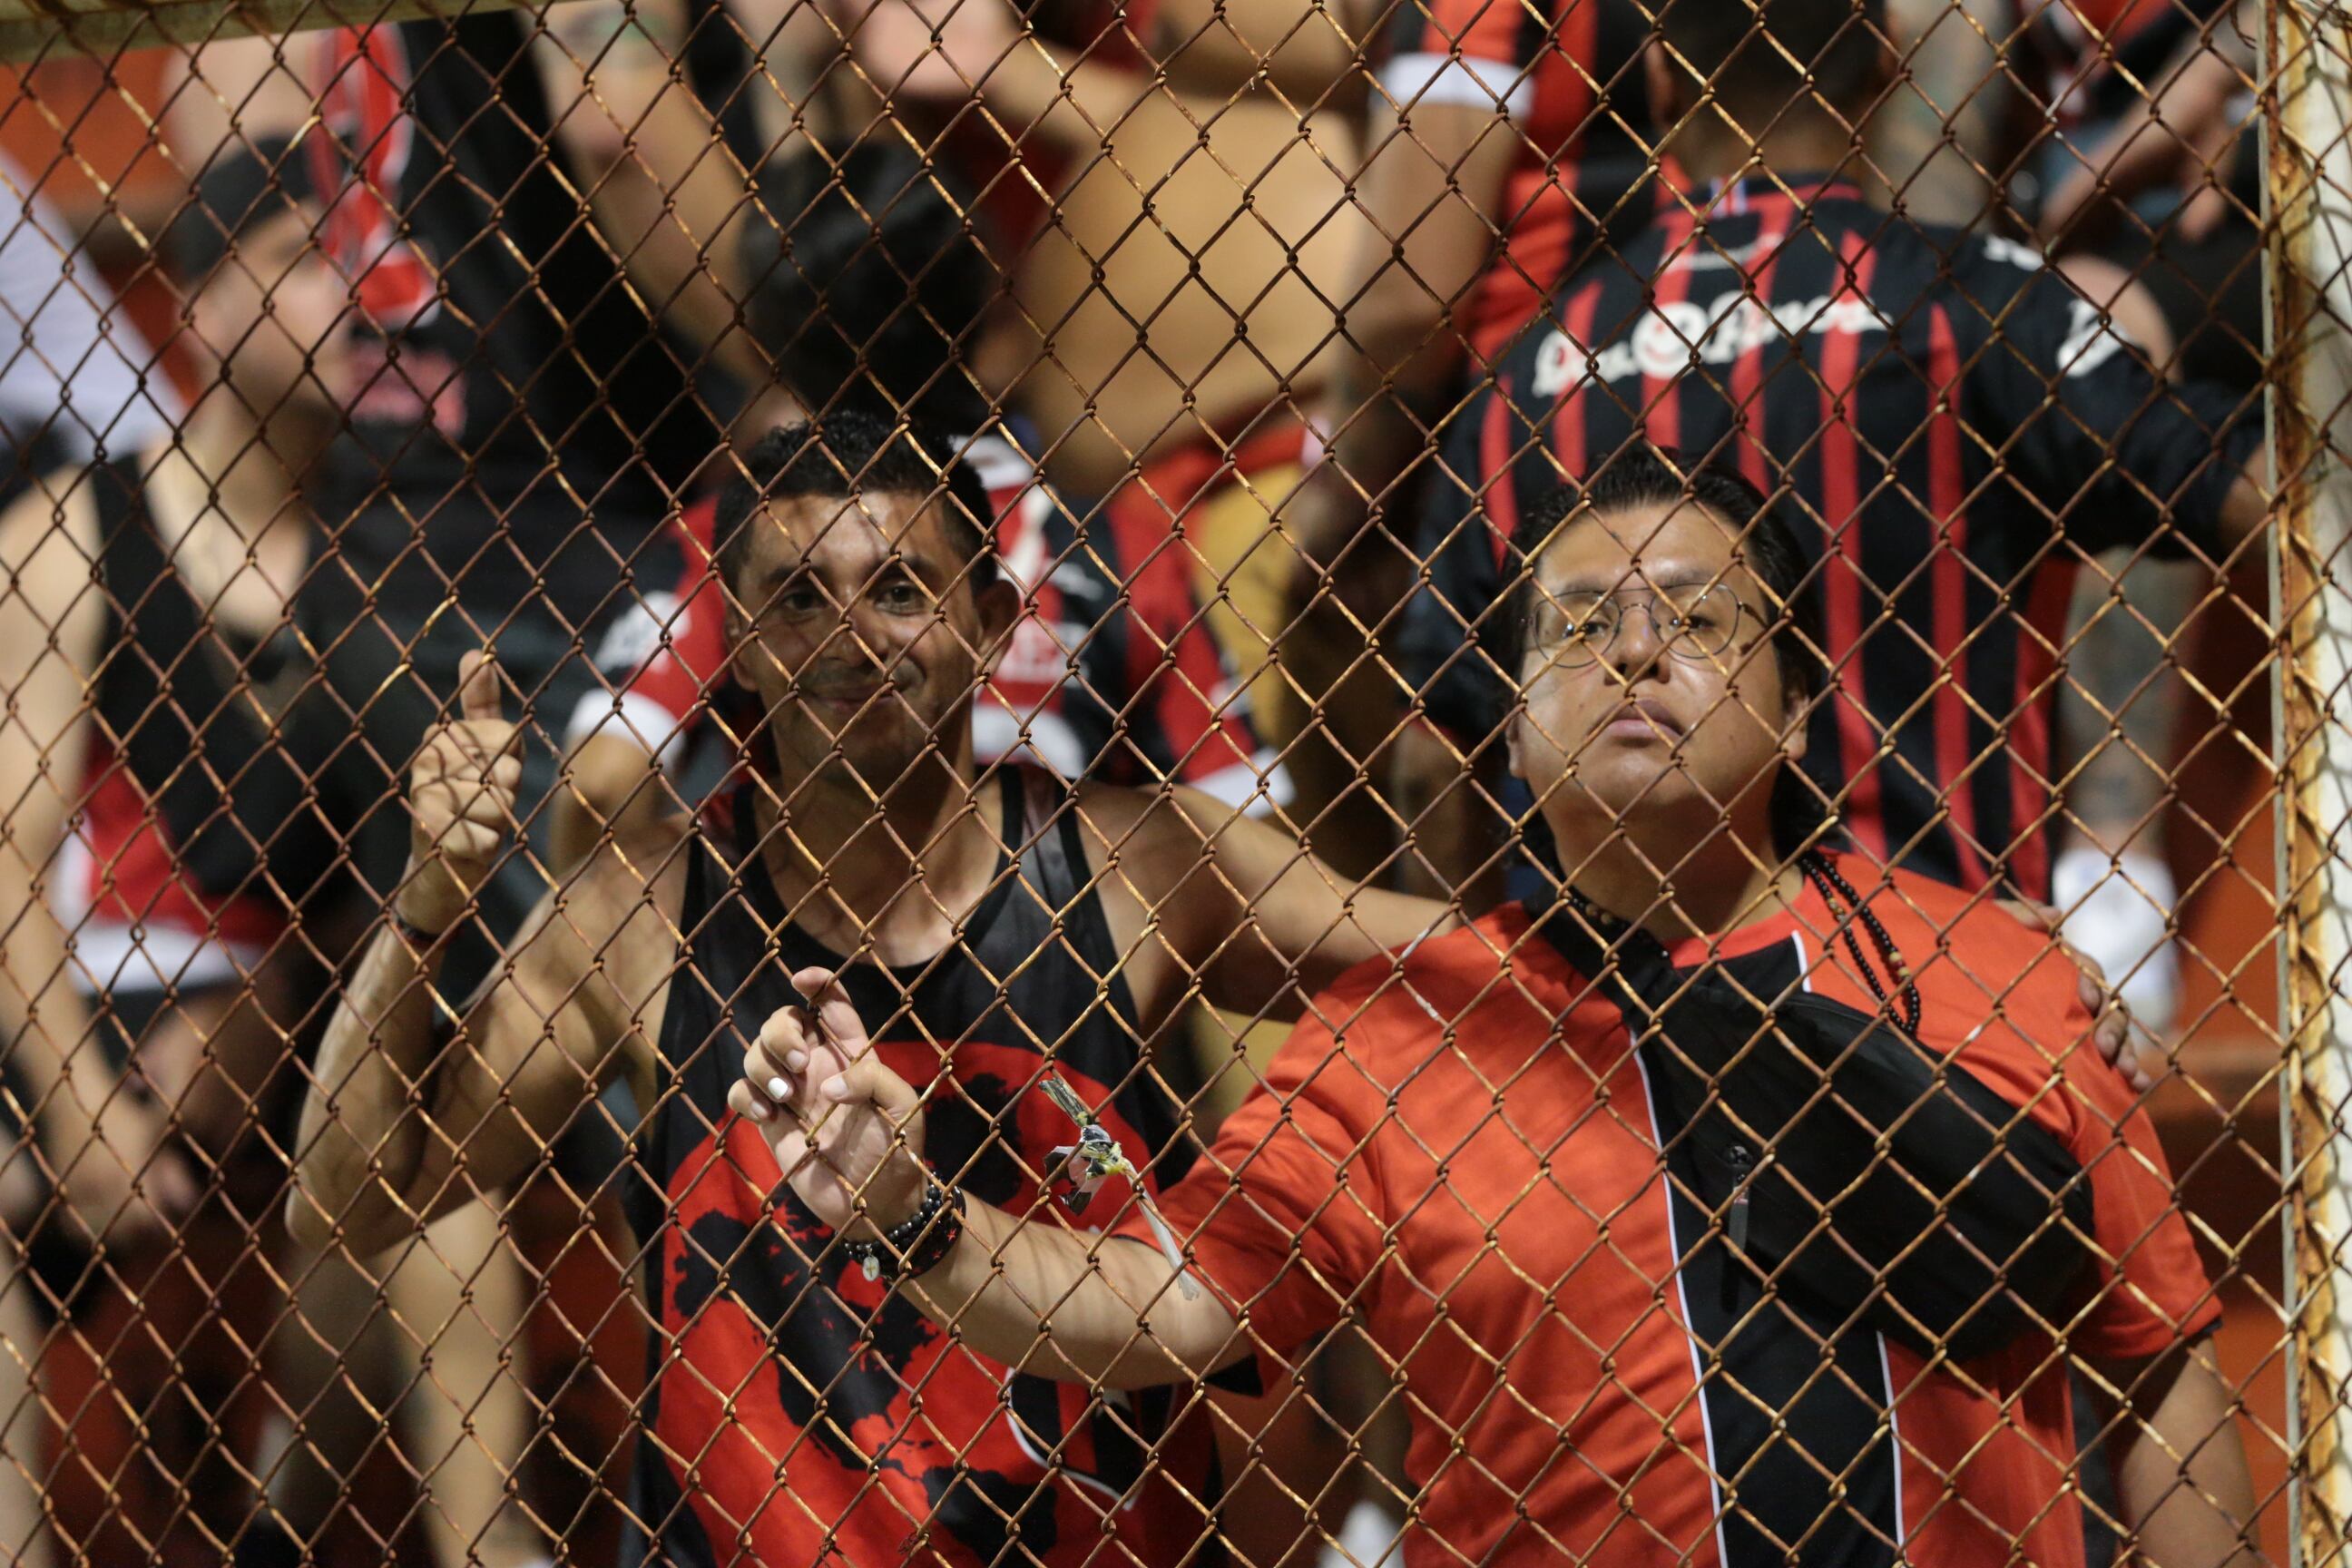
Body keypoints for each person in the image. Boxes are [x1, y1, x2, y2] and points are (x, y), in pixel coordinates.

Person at [743, 452, 2257, 1568]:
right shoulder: (1407, 1031)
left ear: (1798, 703)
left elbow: (2154, 1358)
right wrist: (914, 1208)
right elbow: (1167, 1305)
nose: (1636, 654)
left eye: (1698, 618)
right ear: (1517, 734)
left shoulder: (1995, 970)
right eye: (1576, 629)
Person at [288, 410, 1452, 1567]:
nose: (849, 635)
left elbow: (1469, 970)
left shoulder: (1143, 863)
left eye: (899, 588)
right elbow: (339, 1205)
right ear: (735, 639)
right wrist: (430, 903)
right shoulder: (633, 915)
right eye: (798, 597)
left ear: (990, 622)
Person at [1390, 0, 2268, 910]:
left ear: (1658, 79)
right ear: (1887, 64)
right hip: (1937, 983)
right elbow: (2248, 488)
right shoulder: (1976, 302)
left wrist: (1502, 984)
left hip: (1616, 1012)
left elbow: (1432, 750)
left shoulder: (1533, 368)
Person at [558, 142, 1290, 862]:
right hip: (1068, 943)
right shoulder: (1117, 542)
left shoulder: (744, 536)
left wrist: (634, 954)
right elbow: (1246, 822)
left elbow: (602, 783)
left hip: (809, 941)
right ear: (988, 305)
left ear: (765, 337)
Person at [0, 134, 348, 1565]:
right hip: (88, 1002)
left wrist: (257, 1028)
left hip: (316, 1017)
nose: (362, 296)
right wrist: (79, 1108)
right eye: (306, 262)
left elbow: (399, 880)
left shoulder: (405, 532)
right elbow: (8, 864)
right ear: (200, 306)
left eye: (369, 261)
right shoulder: (71, 533)